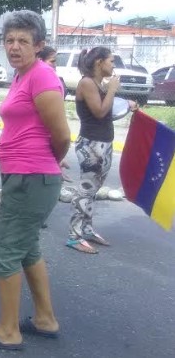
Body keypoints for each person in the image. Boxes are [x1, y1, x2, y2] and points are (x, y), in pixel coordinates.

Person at [0, 10, 70, 351]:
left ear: (38, 45)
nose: (14, 46)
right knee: (27, 248)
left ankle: (8, 332)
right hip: (25, 175)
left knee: (6, 251)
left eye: (23, 41)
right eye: (9, 40)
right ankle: (45, 319)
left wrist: (46, 166)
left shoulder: (41, 77)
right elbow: (22, 126)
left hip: (32, 178)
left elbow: (62, 135)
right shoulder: (22, 76)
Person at [67, 47, 137, 254]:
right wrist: (113, 88)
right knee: (86, 190)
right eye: (111, 61)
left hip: (102, 143)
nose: (113, 65)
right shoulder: (87, 82)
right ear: (99, 62)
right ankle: (74, 236)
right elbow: (99, 112)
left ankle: (86, 230)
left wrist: (126, 104)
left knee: (93, 192)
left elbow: (107, 111)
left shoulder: (97, 84)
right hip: (91, 145)